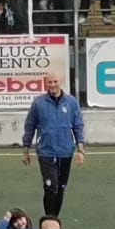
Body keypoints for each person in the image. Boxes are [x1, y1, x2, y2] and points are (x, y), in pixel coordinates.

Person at [21, 75, 85, 218]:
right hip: (46, 152)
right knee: (51, 187)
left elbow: (78, 126)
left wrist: (81, 150)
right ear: (46, 84)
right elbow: (30, 126)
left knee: (61, 188)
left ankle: (54, 220)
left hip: (66, 152)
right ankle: (49, 220)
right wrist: (26, 150)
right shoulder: (38, 103)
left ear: (60, 82)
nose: (52, 85)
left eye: (55, 81)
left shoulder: (71, 102)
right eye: (49, 82)